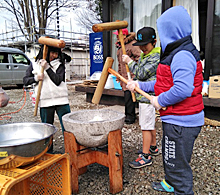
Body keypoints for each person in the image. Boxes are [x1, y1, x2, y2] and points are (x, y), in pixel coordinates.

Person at [126, 6, 204, 194]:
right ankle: (170, 182)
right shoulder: (174, 52)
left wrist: (160, 101)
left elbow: (183, 89)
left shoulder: (182, 55)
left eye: (163, 31)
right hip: (176, 120)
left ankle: (181, 189)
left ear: (172, 30)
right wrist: (138, 85)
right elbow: (162, 83)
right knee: (172, 157)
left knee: (177, 165)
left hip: (182, 122)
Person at [122, 27, 160, 168]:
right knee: (150, 124)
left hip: (148, 97)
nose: (143, 48)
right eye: (141, 45)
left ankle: (145, 156)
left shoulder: (156, 57)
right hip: (145, 97)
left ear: (154, 42)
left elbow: (142, 73)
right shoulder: (147, 55)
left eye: (145, 45)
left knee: (145, 126)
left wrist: (130, 62)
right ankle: (153, 147)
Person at [23, 44, 71, 152]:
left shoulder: (59, 64)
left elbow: (58, 80)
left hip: (61, 100)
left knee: (68, 127)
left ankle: (71, 150)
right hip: (45, 101)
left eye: (56, 53)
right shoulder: (35, 65)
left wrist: (47, 68)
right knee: (47, 129)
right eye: (52, 52)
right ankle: (49, 152)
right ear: (45, 51)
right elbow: (25, 80)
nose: (54, 55)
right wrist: (36, 78)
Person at [113, 28, 141, 124]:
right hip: (124, 77)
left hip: (132, 75)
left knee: (131, 96)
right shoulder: (120, 47)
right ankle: (129, 115)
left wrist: (135, 71)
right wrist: (119, 75)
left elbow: (140, 58)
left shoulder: (133, 44)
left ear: (124, 35)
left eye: (118, 35)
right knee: (127, 97)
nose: (116, 36)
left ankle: (130, 117)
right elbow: (120, 64)